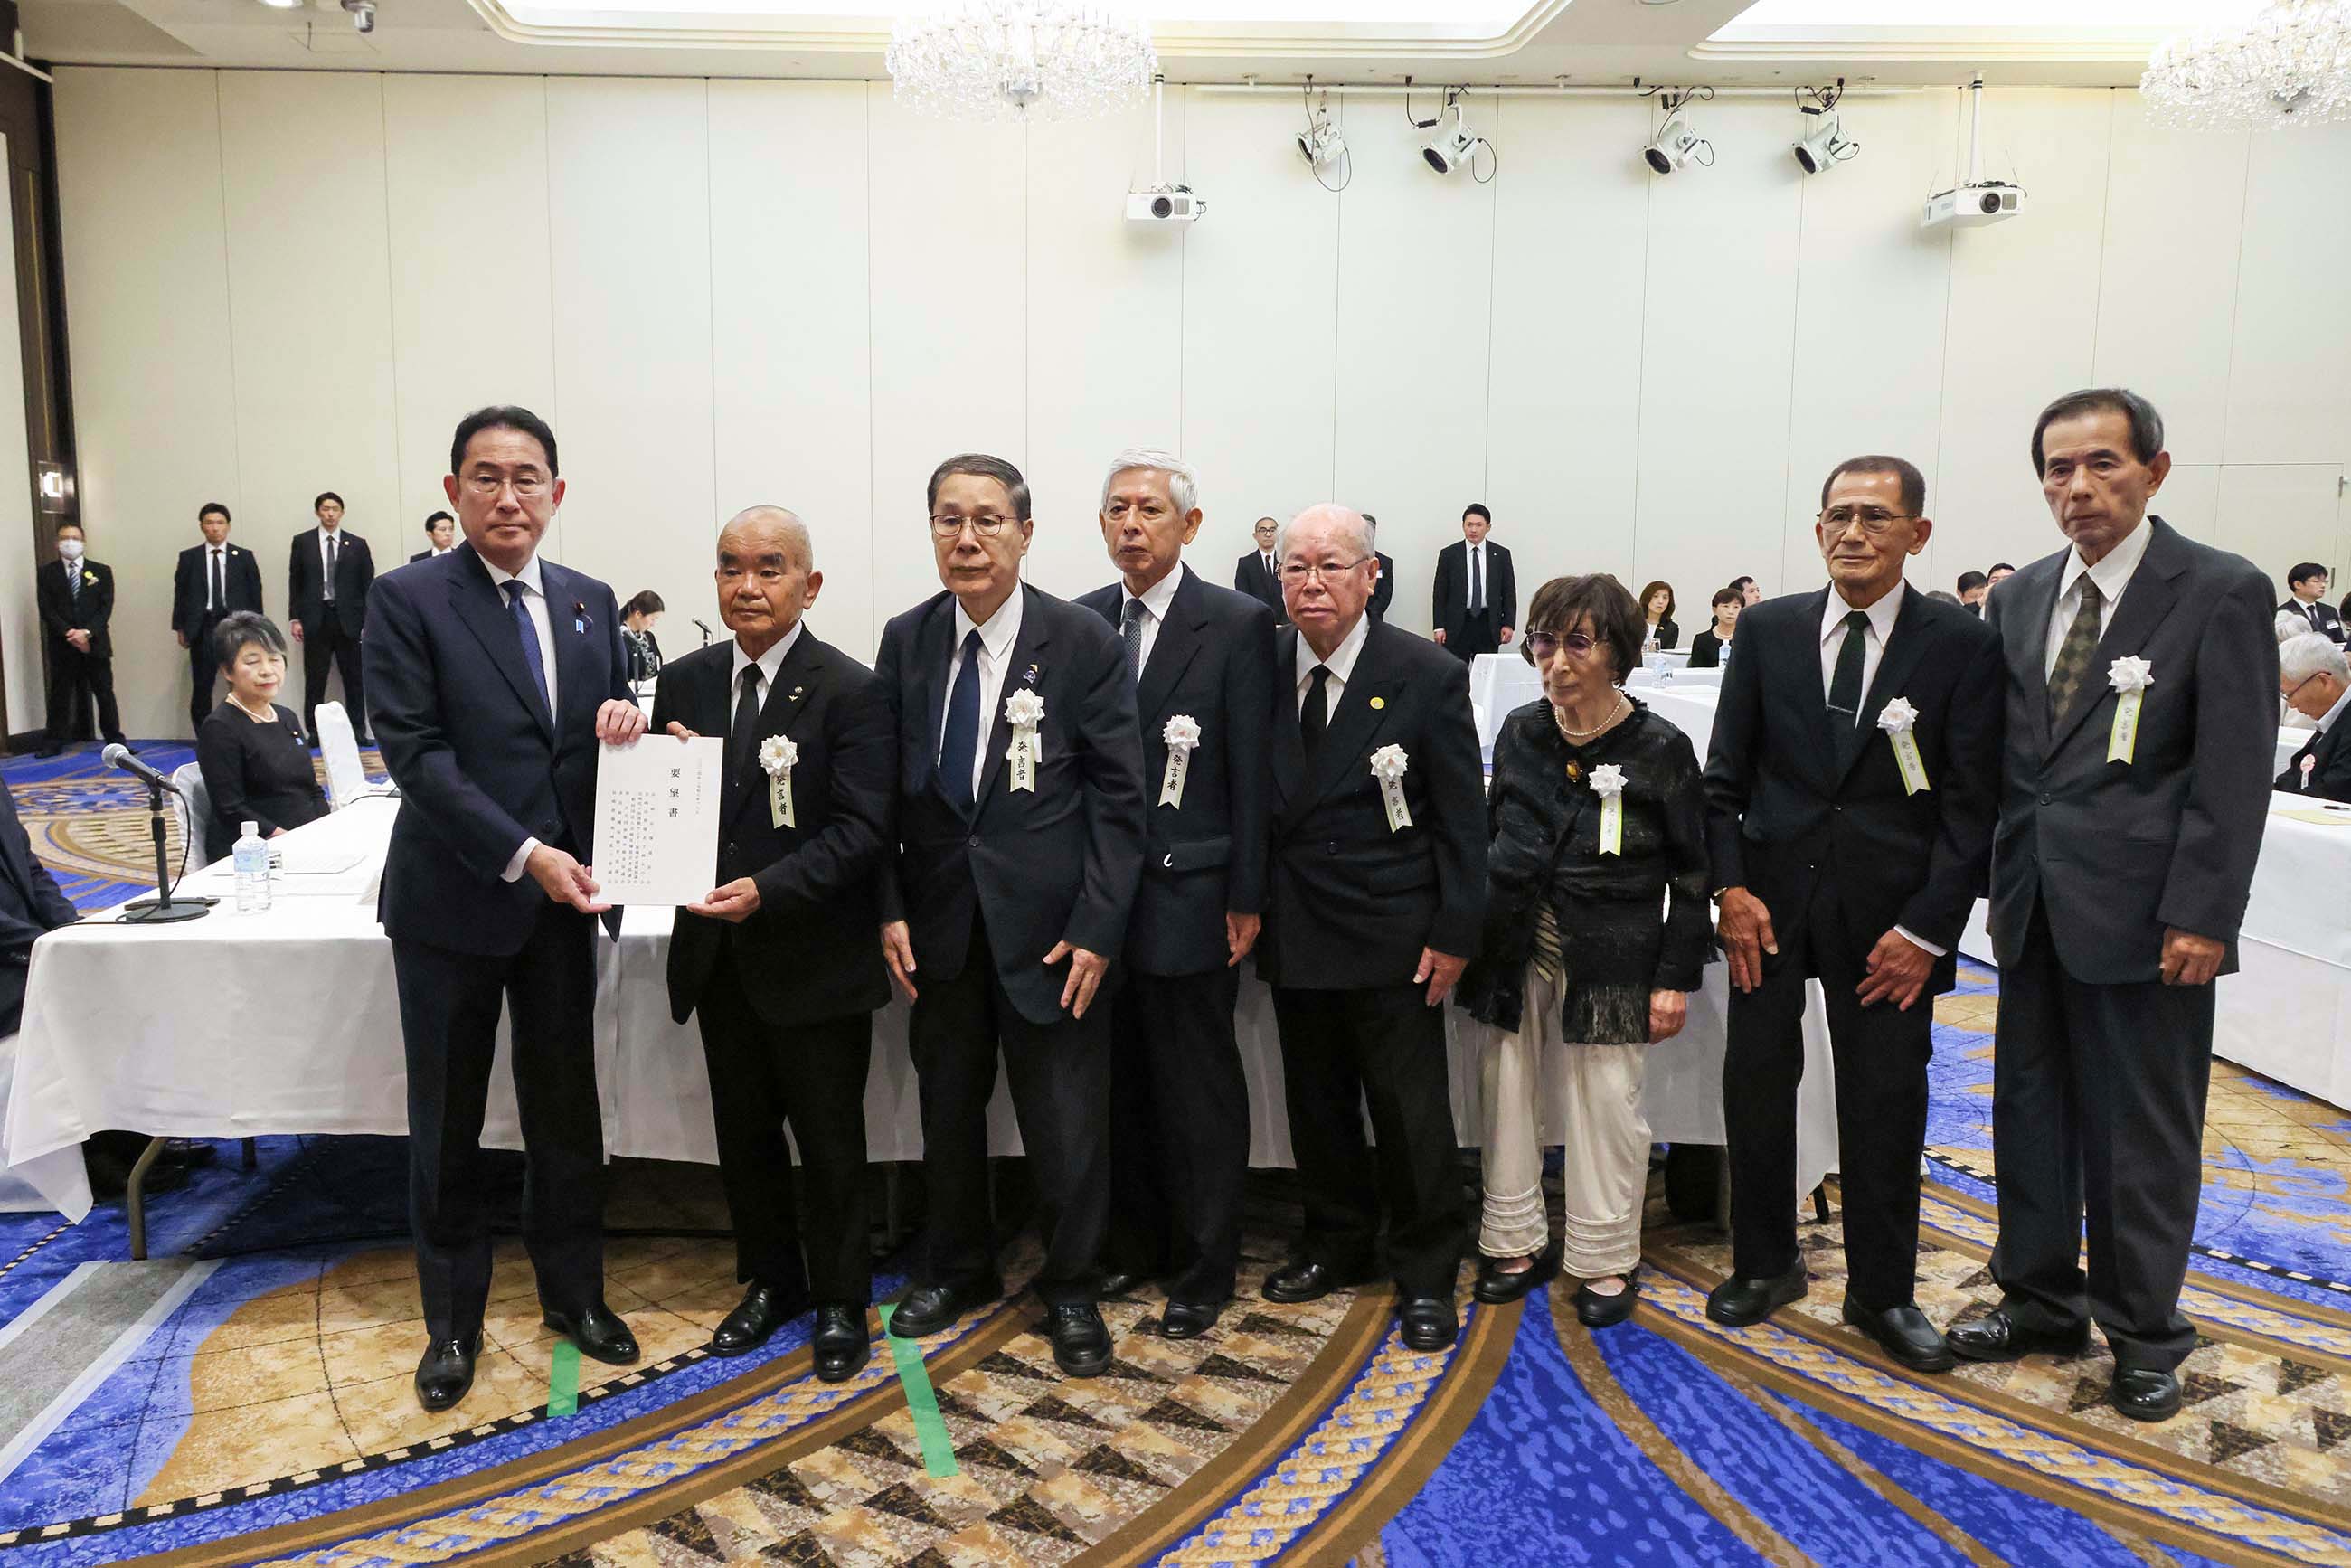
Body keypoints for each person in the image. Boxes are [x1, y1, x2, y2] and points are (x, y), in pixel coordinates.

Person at [1954, 389, 2277, 1422]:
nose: (2076, 488)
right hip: (2032, 904)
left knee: (2140, 1130)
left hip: (2149, 919)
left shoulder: (2218, 591)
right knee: (2028, 1110)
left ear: (2154, 470)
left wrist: (2202, 914)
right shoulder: (2018, 597)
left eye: (2100, 464)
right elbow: (2012, 763)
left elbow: (2231, 774)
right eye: (2056, 469)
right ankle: (2039, 1296)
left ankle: (2143, 1331)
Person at [364, 406, 648, 1412]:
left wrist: (626, 719)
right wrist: (525, 854)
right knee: (446, 1119)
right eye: (485, 477)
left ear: (557, 494)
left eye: (527, 478)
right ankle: (451, 1320)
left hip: (562, 911)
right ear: (453, 493)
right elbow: (417, 755)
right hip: (453, 901)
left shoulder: (588, 600)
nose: (507, 496)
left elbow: (597, 738)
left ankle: (575, 1295)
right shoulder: (408, 599)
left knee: (566, 1109)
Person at [1702, 454, 2003, 1374]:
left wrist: (1925, 929)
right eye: (1837, 516)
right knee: (1756, 1083)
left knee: (1884, 1102)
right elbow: (1721, 786)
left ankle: (1881, 1292)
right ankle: (1764, 1263)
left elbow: (1969, 806)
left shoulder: (1957, 643)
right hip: (1767, 909)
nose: (1852, 533)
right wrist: (1728, 889)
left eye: (1875, 518)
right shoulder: (1765, 631)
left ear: (1916, 534)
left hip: (1891, 926)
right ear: (1816, 529)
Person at [874, 452, 1146, 1378]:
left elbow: (1120, 802)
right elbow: (880, 798)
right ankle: (956, 1265)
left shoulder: (1081, 644)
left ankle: (1070, 1287)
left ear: (1025, 534)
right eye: (949, 519)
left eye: (988, 520)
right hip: (940, 930)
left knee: (1067, 1126)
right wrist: (888, 908)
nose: (967, 538)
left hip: (1054, 938)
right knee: (947, 1112)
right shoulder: (905, 641)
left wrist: (1100, 926)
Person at [652, 508, 890, 1383]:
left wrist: (770, 891)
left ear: (809, 585)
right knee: (744, 1137)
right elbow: (663, 806)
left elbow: (865, 830)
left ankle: (839, 1298)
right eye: (729, 568)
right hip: (720, 963)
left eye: (770, 568)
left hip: (814, 959)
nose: (747, 586)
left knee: (829, 1143)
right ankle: (770, 1280)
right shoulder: (682, 685)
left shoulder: (852, 689)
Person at [1259, 504, 1486, 1352]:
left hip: (1396, 932)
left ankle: (1427, 1271)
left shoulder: (1423, 671)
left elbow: (1463, 816)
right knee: (1315, 1104)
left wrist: (1459, 927)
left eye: (1329, 566)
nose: (1310, 583)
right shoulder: (1262, 665)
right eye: (1294, 567)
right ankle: (1336, 1242)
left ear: (1370, 575)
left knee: (1409, 1112)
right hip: (1296, 924)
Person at [1457, 573, 1707, 1326]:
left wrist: (1675, 978)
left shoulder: (1660, 747)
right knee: (1505, 1089)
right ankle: (1514, 1239)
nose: (1555, 661)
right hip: (1514, 941)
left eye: (1576, 642)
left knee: (1605, 1102)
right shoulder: (1521, 731)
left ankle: (1604, 1258)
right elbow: (1494, 827)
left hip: (1613, 951)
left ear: (1618, 654)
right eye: (1543, 639)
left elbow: (1695, 875)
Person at [1076, 449, 1274, 1340]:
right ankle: (1135, 1241)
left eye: (1149, 510)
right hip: (1095, 900)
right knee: (1115, 1082)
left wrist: (1245, 891)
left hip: (1191, 893)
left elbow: (1250, 770)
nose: (1130, 524)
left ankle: (1205, 1262)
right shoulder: (1079, 623)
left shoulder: (1234, 624)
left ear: (1188, 526)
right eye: (1116, 509)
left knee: (1194, 1085)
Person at [194, 613, 327, 863]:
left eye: (275, 659)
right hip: (253, 854)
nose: (267, 671)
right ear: (227, 671)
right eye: (253, 662)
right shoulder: (220, 728)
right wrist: (287, 841)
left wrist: (325, 829)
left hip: (302, 842)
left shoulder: (286, 717)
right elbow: (230, 808)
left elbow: (312, 789)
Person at [288, 490, 375, 744]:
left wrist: (367, 620)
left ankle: (358, 730)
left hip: (349, 620)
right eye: (325, 509)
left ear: (342, 512)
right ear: (318, 512)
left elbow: (367, 584)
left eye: (335, 509)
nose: (330, 513)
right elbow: (296, 581)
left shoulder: (357, 544)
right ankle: (314, 732)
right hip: (316, 617)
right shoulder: (303, 542)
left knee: (354, 678)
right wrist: (295, 617)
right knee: (315, 677)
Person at [34, 522, 126, 758]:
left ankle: (115, 740)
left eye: (75, 538)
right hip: (62, 644)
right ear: (57, 543)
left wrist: (87, 633)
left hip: (95, 644)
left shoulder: (101, 571)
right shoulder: (47, 573)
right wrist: (71, 634)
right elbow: (47, 610)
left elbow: (106, 607)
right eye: (65, 538)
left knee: (104, 692)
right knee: (60, 694)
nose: (70, 542)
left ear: (83, 542)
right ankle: (54, 740)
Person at [171, 504, 264, 734]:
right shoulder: (189, 557)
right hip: (203, 626)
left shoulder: (243, 556)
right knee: (202, 684)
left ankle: (244, 730)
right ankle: (204, 734)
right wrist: (180, 627)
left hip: (237, 626)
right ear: (202, 526)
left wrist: (256, 629)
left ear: (228, 526)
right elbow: (180, 593)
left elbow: (255, 594)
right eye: (210, 523)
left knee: (241, 681)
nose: (215, 528)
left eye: (220, 523)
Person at [1430, 504, 1515, 662]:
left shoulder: (1501, 554)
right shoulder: (1449, 554)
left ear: (1488, 527)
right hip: (1457, 624)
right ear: (1463, 526)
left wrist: (1508, 624)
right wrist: (1439, 626)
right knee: (1455, 672)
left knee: (1485, 672)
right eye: (1469, 525)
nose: (1473, 530)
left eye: (1479, 525)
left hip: (1488, 623)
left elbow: (1509, 591)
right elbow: (1440, 594)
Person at [2277, 633, 2351, 801]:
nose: (2291, 705)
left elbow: (2333, 791)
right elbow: (2295, 777)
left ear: (2323, 682)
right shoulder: (2334, 718)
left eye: (2290, 694)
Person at [1233, 515, 1286, 620]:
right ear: (1255, 535)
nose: (1268, 534)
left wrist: (1285, 622)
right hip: (1256, 621)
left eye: (1272, 530)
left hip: (1285, 623)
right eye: (1263, 530)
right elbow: (1243, 597)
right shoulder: (1245, 563)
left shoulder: (1285, 562)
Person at [2280, 562, 2344, 644]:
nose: (2323, 585)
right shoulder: (2283, 613)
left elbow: (2340, 640)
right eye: (2316, 581)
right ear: (2298, 584)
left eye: (2325, 581)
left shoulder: (2330, 611)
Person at [1685, 587, 1741, 668]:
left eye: (1736, 607)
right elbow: (1696, 673)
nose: (1730, 612)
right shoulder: (1701, 639)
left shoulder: (1747, 639)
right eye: (1725, 606)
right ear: (1714, 610)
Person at [621, 590, 666, 684]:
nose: (653, 624)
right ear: (638, 614)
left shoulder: (649, 637)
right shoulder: (620, 638)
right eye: (652, 619)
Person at [1364, 514, 1394, 622]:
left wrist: (1370, 614)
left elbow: (1385, 594)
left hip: (1375, 619)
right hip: (1348, 619)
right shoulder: (1346, 560)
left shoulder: (1385, 562)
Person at [1637, 581, 1679, 652]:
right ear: (1646, 598)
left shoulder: (1672, 628)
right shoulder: (1633, 623)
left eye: (1665, 598)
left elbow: (1666, 657)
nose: (1660, 601)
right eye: (1655, 596)